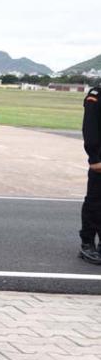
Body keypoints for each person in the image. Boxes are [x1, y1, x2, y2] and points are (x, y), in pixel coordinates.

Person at [79, 86, 101, 264]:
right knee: (95, 202)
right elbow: (90, 128)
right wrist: (94, 158)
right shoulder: (96, 95)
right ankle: (87, 243)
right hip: (100, 159)